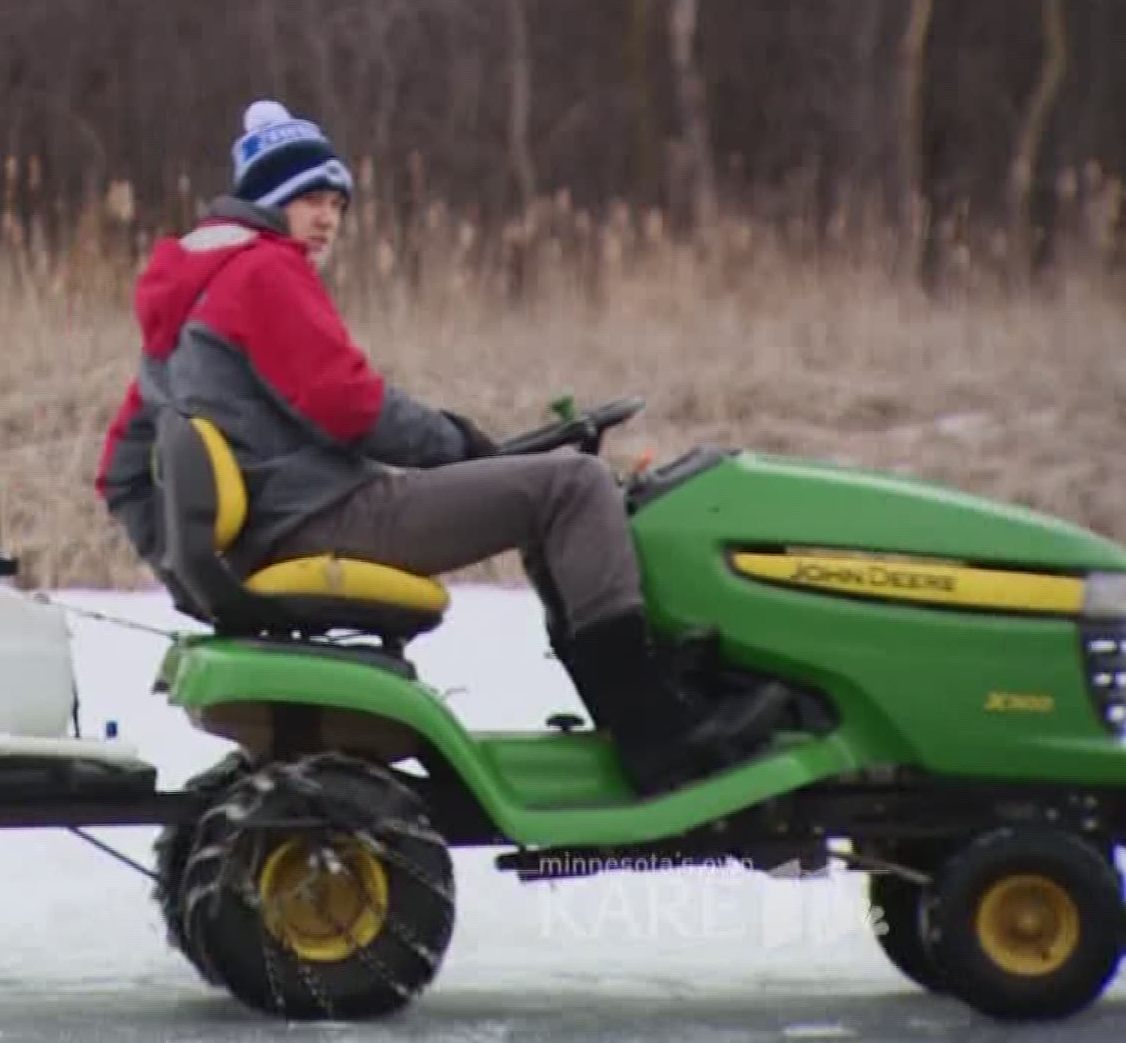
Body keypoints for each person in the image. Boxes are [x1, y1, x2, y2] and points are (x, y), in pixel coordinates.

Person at [93, 100, 784, 796]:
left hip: (277, 528)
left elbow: (119, 470)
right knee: (574, 486)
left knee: (550, 490)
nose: (327, 216)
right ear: (267, 200)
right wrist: (460, 443)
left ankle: (632, 708)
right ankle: (655, 730)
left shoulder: (181, 307)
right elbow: (350, 403)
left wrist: (192, 570)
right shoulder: (265, 272)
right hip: (329, 515)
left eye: (336, 200)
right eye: (309, 197)